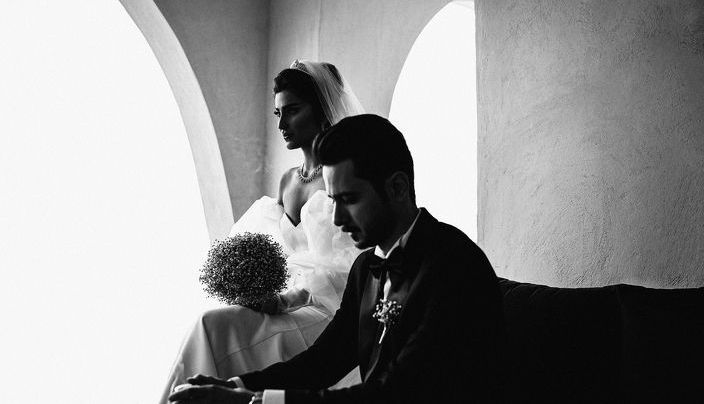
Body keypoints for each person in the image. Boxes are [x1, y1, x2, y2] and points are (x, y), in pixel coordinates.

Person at [170, 114, 504, 404]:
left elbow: (397, 393)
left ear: (398, 188)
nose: (338, 219)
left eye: (350, 199)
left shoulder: (456, 266)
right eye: (333, 201)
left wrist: (254, 402)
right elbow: (323, 360)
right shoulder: (365, 268)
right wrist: (237, 385)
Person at [158, 61, 364, 403]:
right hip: (287, 306)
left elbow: (347, 267)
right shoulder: (288, 181)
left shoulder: (340, 178)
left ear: (322, 110)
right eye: (278, 113)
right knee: (214, 323)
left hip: (329, 314)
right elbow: (280, 254)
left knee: (213, 327)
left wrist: (284, 301)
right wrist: (256, 289)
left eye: (293, 111)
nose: (282, 124)